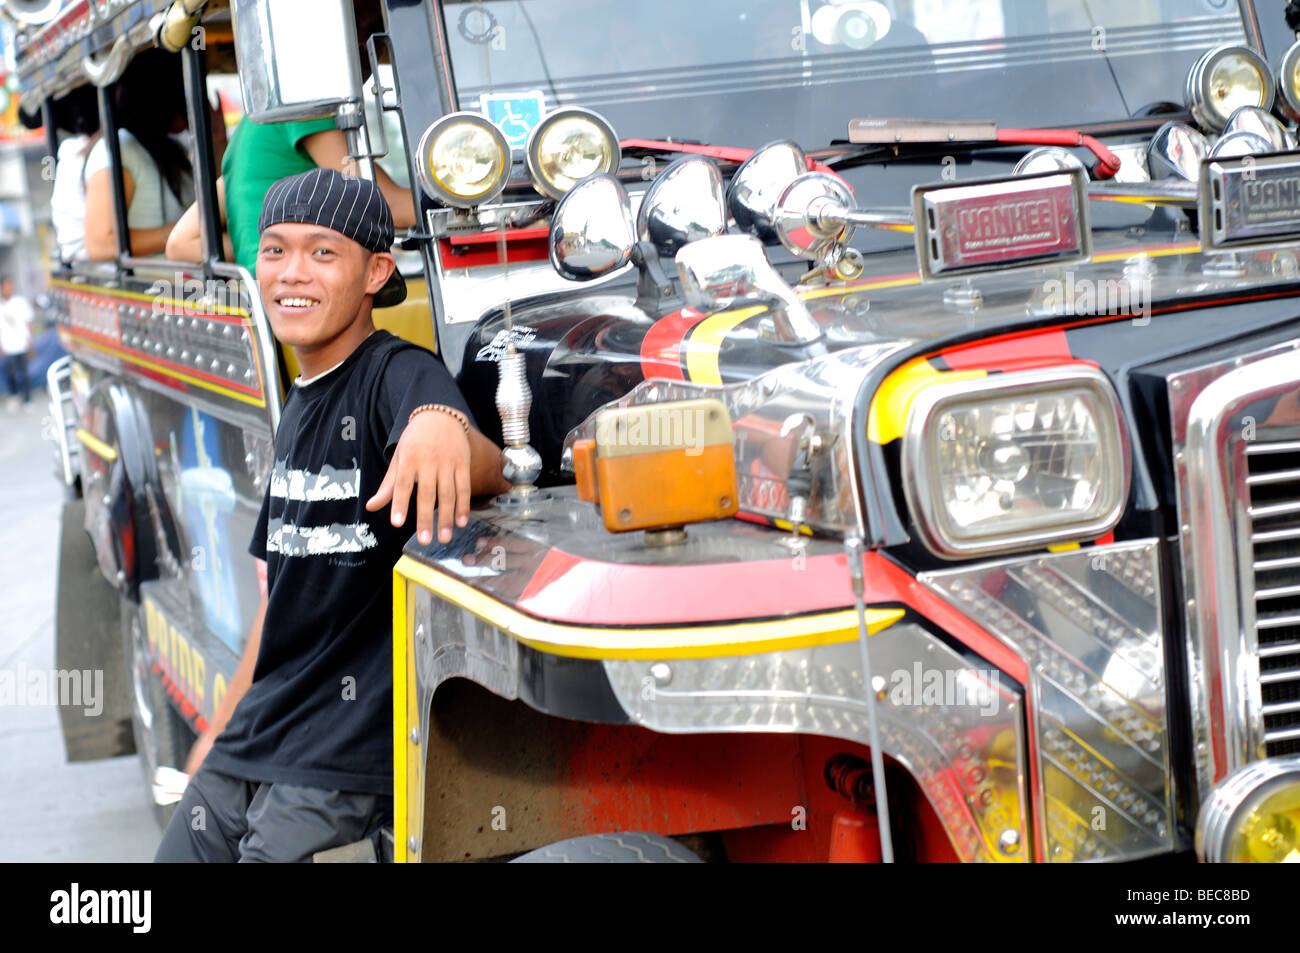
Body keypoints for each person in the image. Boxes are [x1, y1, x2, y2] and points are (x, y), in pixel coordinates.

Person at [153, 168, 507, 862]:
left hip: (344, 748)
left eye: (323, 253)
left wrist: (439, 424)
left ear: (377, 270)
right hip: (265, 728)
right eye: (275, 249)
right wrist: (220, 731)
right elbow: (276, 602)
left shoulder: (394, 372)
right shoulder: (299, 407)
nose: (292, 273)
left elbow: (463, 444)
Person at [164, 115, 416, 270]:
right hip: (308, 297)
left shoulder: (250, 129)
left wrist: (262, 249)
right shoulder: (307, 108)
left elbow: (179, 244)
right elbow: (383, 208)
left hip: (270, 298)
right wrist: (451, 200)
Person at [83, 49, 194, 260]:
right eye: (185, 88)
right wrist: (186, 234)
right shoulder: (119, 148)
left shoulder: (170, 148)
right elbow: (101, 245)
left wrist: (216, 138)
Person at [1, 277, 34, 410]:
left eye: (10, 285)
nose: (9, 288)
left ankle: (27, 399)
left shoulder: (20, 302)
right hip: (8, 346)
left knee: (25, 373)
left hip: (22, 344)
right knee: (11, 373)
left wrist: (30, 340)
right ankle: (14, 396)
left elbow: (29, 321)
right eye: (6, 286)